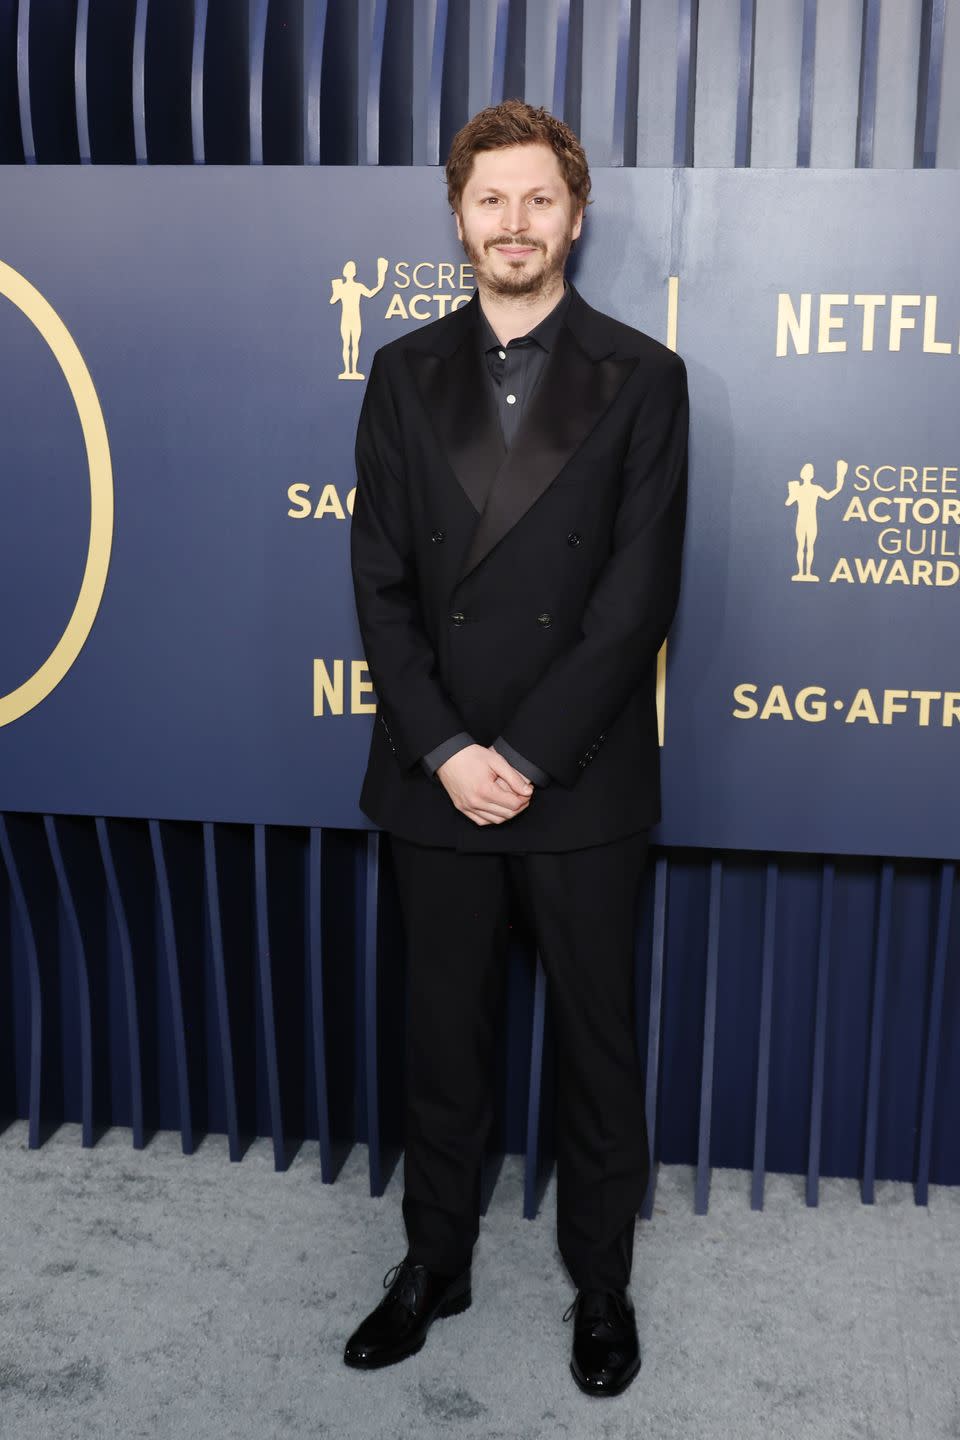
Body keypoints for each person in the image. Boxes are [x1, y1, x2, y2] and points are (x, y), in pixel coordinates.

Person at [345, 100, 688, 1397]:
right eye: (491, 200)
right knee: (444, 1039)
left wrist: (524, 755)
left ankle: (601, 1285)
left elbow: (633, 602)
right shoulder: (399, 373)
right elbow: (380, 585)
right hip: (438, 778)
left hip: (579, 775)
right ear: (457, 217)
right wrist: (444, 748)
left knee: (596, 1049)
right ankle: (436, 1260)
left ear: (577, 215)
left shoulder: (647, 378)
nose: (514, 223)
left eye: (538, 199)